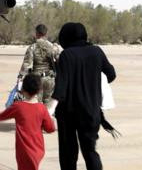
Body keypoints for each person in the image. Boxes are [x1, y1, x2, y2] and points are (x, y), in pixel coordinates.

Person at [47, 22, 116, 170]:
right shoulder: (97, 51)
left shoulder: (66, 55)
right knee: (90, 151)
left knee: (68, 153)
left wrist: (48, 111)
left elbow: (61, 87)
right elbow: (111, 74)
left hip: (68, 113)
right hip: (91, 111)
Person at [0, 73, 55, 170]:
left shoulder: (18, 107)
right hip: (38, 149)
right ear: (39, 90)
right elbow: (50, 128)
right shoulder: (42, 108)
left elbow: (2, 116)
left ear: (23, 89)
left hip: (23, 150)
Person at [18, 24, 59, 105]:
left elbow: (26, 64)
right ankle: (48, 117)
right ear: (46, 34)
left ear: (37, 33)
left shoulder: (32, 47)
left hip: (37, 80)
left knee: (38, 105)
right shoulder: (53, 47)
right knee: (49, 104)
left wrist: (20, 77)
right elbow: (59, 61)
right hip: (50, 78)